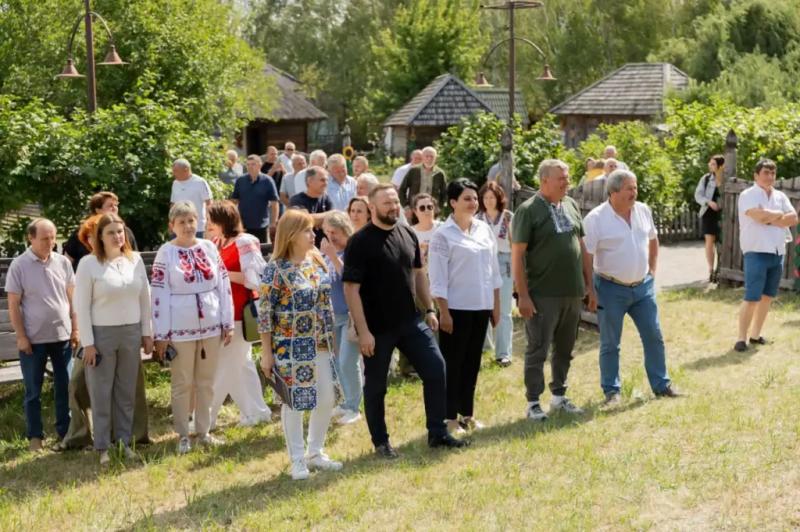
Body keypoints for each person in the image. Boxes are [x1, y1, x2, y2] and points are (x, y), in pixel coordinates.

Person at [343, 184, 467, 458]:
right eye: (386, 203)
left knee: (436, 369)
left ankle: (437, 433)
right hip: (376, 328)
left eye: (395, 202)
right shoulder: (359, 242)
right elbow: (350, 290)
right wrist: (363, 332)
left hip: (410, 321)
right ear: (372, 207)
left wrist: (430, 309)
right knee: (376, 386)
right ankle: (381, 442)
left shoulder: (406, 232)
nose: (393, 207)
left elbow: (419, 274)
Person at [258, 209, 344, 480]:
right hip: (290, 348)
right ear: (291, 235)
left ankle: (315, 452)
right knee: (294, 403)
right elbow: (264, 314)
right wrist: (267, 352)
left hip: (320, 343)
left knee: (327, 398)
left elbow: (326, 302)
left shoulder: (315, 261)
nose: (313, 235)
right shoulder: (275, 269)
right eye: (307, 230)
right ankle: (297, 460)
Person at [583, 170, 680, 404]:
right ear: (614, 192)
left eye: (635, 187)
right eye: (629, 188)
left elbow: (653, 240)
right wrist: (590, 289)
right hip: (610, 288)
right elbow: (586, 255)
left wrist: (652, 272)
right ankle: (612, 391)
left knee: (654, 336)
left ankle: (661, 385)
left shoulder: (643, 211)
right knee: (610, 343)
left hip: (642, 288)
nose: (634, 192)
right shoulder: (596, 218)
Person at [58, 216, 151, 451]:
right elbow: (82, 307)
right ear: (100, 236)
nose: (118, 236)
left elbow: (145, 299)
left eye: (120, 231)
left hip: (130, 333)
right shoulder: (89, 264)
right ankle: (102, 447)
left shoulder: (135, 260)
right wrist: (88, 343)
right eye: (111, 232)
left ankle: (123, 442)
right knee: (100, 393)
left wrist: (147, 333)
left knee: (127, 391)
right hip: (101, 336)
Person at [151, 201, 234, 454]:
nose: (188, 226)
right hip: (180, 329)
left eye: (191, 220)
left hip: (210, 326)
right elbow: (159, 294)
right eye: (182, 221)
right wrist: (161, 334)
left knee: (206, 381)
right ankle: (183, 434)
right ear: (172, 225)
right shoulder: (166, 253)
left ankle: (204, 431)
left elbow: (223, 285)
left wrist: (226, 321)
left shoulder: (208, 247)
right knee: (182, 382)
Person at [511, 160, 590, 421]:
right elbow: (517, 256)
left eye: (567, 178)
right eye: (562, 179)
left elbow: (582, 247)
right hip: (542, 294)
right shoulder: (528, 210)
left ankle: (559, 396)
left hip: (572, 291)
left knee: (565, 347)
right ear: (545, 180)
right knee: (538, 349)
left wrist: (590, 285)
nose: (567, 183)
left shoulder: (571, 205)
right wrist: (522, 295)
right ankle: (533, 402)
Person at [429, 179, 501, 434]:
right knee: (453, 363)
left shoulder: (483, 229)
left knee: (472, 362)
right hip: (455, 309)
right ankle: (449, 418)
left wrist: (496, 305)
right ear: (452, 203)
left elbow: (493, 271)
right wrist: (444, 312)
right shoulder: (442, 235)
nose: (473, 203)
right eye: (467, 199)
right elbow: (437, 278)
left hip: (481, 307)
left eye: (474, 198)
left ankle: (467, 414)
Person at [5, 219, 78, 451]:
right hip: (33, 340)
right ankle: (35, 437)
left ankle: (65, 432)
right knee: (33, 390)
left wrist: (75, 328)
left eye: (53, 237)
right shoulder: (19, 265)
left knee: (64, 385)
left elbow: (71, 297)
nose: (51, 242)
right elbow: (14, 305)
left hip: (62, 336)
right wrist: (21, 336)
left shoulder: (63, 263)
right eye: (45, 238)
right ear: (31, 238)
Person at [205, 201, 272, 428]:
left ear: (224, 220)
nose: (207, 224)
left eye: (211, 219)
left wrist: (220, 273)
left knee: (224, 367)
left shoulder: (245, 242)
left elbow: (254, 279)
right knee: (241, 366)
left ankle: (206, 419)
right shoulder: (215, 243)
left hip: (241, 314)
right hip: (221, 313)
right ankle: (257, 412)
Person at [734, 159, 798, 352]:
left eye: (772, 173)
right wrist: (779, 216)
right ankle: (741, 338)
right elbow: (757, 216)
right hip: (756, 251)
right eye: (765, 173)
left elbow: (794, 218)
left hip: (777, 251)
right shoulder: (748, 194)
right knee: (752, 297)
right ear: (756, 175)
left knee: (767, 297)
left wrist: (769, 217)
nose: (770, 177)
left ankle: (755, 335)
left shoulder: (780, 196)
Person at [321, 211, 363, 425]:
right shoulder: (331, 253)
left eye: (334, 232)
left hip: (350, 316)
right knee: (338, 362)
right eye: (327, 232)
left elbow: (349, 277)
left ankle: (355, 407)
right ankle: (347, 403)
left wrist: (331, 256)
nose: (330, 237)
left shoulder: (352, 251)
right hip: (333, 315)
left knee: (348, 362)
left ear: (345, 230)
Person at [476, 181, 514, 367]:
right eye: (485, 197)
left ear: (499, 199)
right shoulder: (477, 219)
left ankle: (503, 353)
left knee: (504, 310)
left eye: (492, 197)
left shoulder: (508, 217)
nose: (489, 201)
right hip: (482, 264)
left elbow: (516, 245)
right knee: (482, 307)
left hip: (504, 262)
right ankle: (485, 346)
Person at [63, 191, 139, 271]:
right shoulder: (83, 232)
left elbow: (132, 257)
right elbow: (68, 259)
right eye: (110, 205)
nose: (114, 208)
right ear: (98, 210)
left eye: (116, 205)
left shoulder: (126, 231)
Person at [231, 154, 280, 243]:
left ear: (260, 165)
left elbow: (274, 203)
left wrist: (273, 222)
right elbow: (234, 202)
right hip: (243, 225)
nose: (250, 167)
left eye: (253, 164)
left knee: (262, 253)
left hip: (261, 225)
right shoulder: (240, 180)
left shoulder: (267, 181)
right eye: (248, 164)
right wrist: (234, 221)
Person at [694, 155, 726, 282]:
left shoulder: (727, 179)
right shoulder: (706, 179)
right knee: (709, 241)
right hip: (708, 213)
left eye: (713, 164)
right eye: (710, 163)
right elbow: (698, 195)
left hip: (724, 214)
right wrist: (708, 202)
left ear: (721, 166)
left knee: (724, 242)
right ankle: (711, 270)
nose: (710, 165)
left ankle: (721, 269)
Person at [289, 166, 334, 247]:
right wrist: (328, 215)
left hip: (324, 249)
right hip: (304, 249)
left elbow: (333, 221)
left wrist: (314, 219)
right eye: (322, 180)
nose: (326, 183)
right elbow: (303, 221)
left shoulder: (326, 198)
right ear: (309, 181)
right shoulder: (296, 200)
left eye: (327, 180)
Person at [171, 158, 212, 238]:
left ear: (186, 170)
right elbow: (173, 204)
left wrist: (209, 222)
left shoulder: (200, 182)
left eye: (175, 171)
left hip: (198, 228)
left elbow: (209, 203)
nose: (173, 173)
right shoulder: (175, 183)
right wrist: (171, 221)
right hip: (178, 228)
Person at [410, 193, 442, 268]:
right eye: (422, 208)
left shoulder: (443, 228)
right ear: (415, 211)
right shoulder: (410, 232)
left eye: (430, 207)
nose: (426, 210)